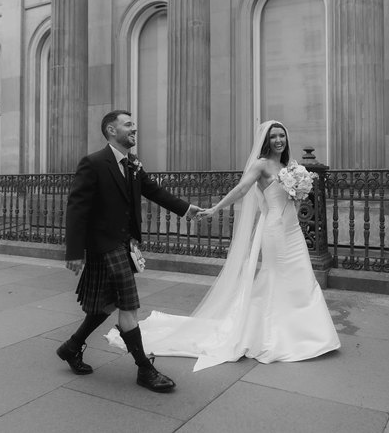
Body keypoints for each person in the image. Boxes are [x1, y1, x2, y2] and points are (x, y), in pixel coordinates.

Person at [105, 120, 340, 371]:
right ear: (266, 141)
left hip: (293, 230)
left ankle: (306, 331)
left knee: (300, 275)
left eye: (282, 135)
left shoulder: (290, 166)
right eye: (273, 137)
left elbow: (294, 196)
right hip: (276, 230)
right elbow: (241, 189)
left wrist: (300, 188)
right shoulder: (261, 165)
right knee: (277, 277)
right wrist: (216, 208)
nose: (278, 140)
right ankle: (275, 334)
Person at [58, 109, 200, 392]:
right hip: (103, 245)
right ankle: (144, 369)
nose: (134, 129)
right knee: (128, 305)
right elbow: (76, 209)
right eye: (128, 125)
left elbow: (155, 192)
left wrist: (186, 209)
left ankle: (71, 347)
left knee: (109, 304)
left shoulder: (133, 164)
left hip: (124, 244)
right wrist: (74, 252)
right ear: (112, 131)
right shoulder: (94, 163)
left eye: (134, 124)